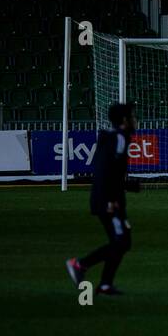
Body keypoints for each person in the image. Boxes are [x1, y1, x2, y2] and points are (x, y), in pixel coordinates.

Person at [66, 102, 138, 295]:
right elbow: (105, 171)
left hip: (108, 197)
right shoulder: (119, 139)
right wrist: (110, 199)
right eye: (132, 116)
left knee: (122, 241)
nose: (135, 120)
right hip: (108, 200)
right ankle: (80, 265)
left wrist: (128, 187)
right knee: (121, 241)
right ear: (124, 120)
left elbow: (109, 172)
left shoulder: (115, 137)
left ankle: (105, 284)